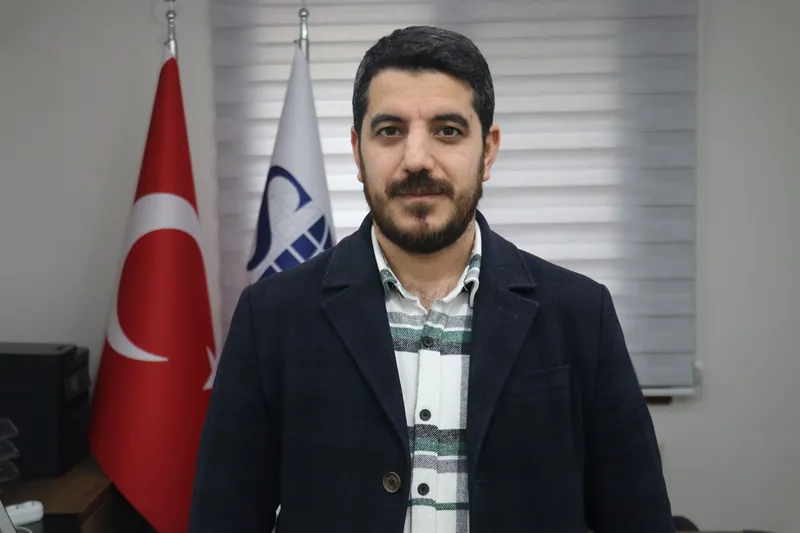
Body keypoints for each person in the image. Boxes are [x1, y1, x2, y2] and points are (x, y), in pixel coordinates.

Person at [188, 25, 674, 533]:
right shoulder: (271, 319)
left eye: (448, 130)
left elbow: (637, 518)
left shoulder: (582, 316)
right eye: (389, 131)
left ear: (488, 151)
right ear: (357, 152)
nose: (417, 159)